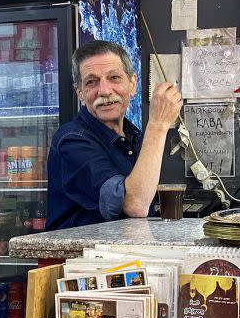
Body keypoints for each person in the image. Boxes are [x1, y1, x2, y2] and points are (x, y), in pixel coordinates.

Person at [46, 41, 183, 230]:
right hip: (76, 258)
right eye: (91, 82)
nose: (104, 91)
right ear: (80, 93)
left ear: (132, 84)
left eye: (114, 78)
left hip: (122, 256)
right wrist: (158, 125)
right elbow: (135, 204)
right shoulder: (71, 140)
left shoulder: (132, 136)